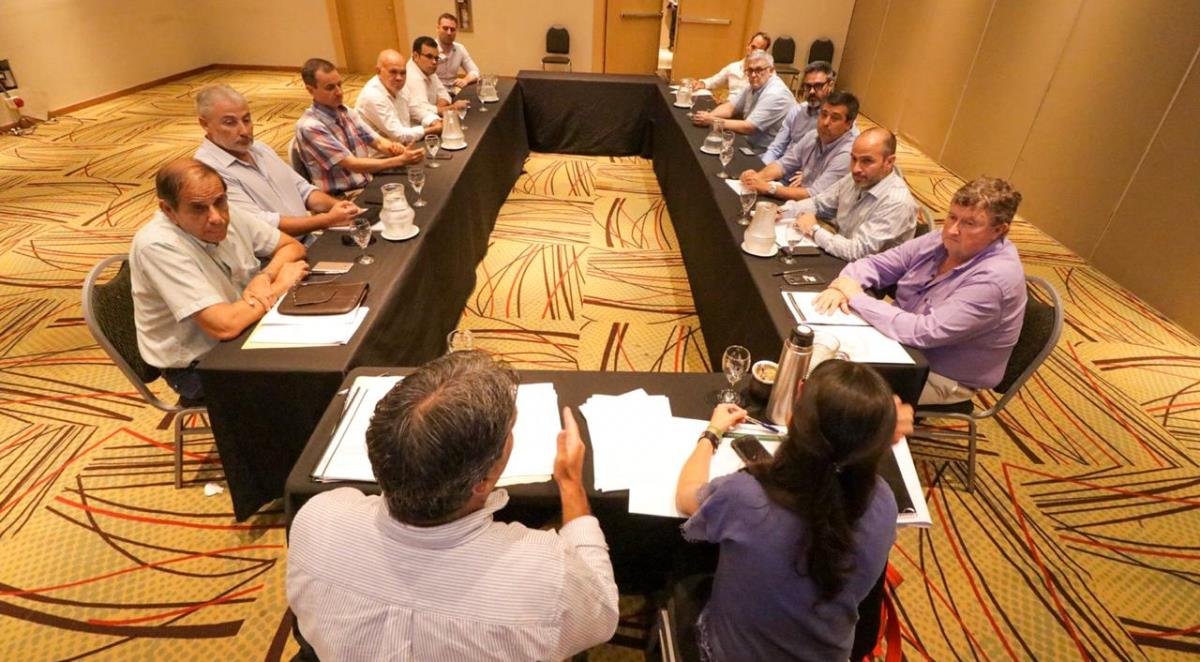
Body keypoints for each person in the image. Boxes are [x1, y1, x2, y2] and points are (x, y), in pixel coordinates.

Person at [287, 351, 620, 660]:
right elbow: (602, 612)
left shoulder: (318, 518)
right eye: (510, 433)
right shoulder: (548, 575)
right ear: (483, 482)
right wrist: (571, 484)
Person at [675, 360, 912, 661]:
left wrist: (711, 433)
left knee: (682, 574)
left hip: (729, 653)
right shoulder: (885, 502)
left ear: (792, 416)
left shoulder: (747, 496)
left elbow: (686, 495)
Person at [814, 178, 1027, 405]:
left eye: (970, 223)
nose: (953, 230)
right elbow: (877, 264)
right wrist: (845, 284)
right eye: (952, 217)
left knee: (832, 391)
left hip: (938, 373)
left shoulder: (993, 281)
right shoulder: (942, 239)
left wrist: (856, 296)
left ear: (998, 230)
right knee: (813, 350)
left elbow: (923, 332)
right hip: (897, 342)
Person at [130, 159, 308, 403]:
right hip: (199, 365)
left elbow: (292, 246)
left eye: (220, 201)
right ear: (168, 210)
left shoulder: (223, 210)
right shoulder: (158, 246)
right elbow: (223, 326)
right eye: (198, 208)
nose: (217, 217)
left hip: (247, 328)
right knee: (306, 381)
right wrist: (279, 287)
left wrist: (264, 277)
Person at [193, 84, 360, 238]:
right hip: (278, 253)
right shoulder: (207, 171)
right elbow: (260, 225)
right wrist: (327, 220)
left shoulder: (259, 148)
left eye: (246, 120)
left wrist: (343, 208)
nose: (244, 131)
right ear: (205, 124)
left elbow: (303, 190)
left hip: (309, 236)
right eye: (230, 123)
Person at [294, 58, 424, 195]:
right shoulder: (310, 127)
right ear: (310, 90)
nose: (339, 92)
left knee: (418, 185)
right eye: (330, 88)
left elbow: (378, 142)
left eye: (339, 85)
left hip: (366, 183)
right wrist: (399, 160)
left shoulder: (346, 112)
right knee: (411, 196)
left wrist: (398, 150)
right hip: (343, 197)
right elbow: (352, 164)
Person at [785, 127, 917, 260]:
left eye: (867, 161)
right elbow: (819, 204)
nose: (856, 169)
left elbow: (858, 252)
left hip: (866, 269)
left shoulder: (897, 202)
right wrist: (782, 211)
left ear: (889, 162)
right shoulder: (856, 178)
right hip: (840, 255)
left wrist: (814, 230)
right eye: (853, 159)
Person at [739, 91, 859, 202]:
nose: (826, 122)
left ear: (848, 124)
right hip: (800, 200)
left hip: (819, 211)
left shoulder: (848, 153)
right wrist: (757, 178)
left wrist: (768, 188)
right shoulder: (812, 136)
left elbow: (814, 194)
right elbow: (783, 165)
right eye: (824, 115)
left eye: (835, 118)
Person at [690, 50, 794, 152]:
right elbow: (730, 107)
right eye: (750, 70)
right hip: (750, 141)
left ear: (771, 71)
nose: (753, 75)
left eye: (758, 70)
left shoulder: (775, 94)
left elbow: (749, 127)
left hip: (767, 151)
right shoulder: (754, 85)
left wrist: (712, 121)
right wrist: (708, 116)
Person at [354, 49, 442, 144]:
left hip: (404, 145)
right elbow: (399, 135)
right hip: (381, 152)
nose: (399, 78)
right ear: (378, 71)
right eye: (393, 72)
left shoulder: (399, 86)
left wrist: (434, 120)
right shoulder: (372, 95)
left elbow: (416, 108)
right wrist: (432, 129)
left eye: (403, 73)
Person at [762, 60, 837, 166]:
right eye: (808, 86)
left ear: (830, 85)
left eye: (818, 86)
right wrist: (762, 167)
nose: (811, 91)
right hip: (782, 166)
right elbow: (776, 148)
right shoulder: (796, 111)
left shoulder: (837, 120)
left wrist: (808, 173)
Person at [405, 36, 468, 128]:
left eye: (436, 58)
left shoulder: (428, 69)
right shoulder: (412, 76)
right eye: (429, 57)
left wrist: (438, 109)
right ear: (416, 56)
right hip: (418, 128)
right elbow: (422, 110)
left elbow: (445, 95)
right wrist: (451, 108)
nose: (434, 62)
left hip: (433, 121)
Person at [692, 32, 771, 99]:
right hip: (728, 107)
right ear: (748, 46)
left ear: (764, 53)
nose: (754, 52)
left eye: (759, 50)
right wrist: (701, 83)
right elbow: (714, 81)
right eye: (753, 47)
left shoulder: (766, 74)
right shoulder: (733, 67)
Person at [434, 12, 480, 95]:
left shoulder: (460, 48)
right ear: (438, 28)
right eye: (445, 28)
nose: (449, 33)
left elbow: (475, 71)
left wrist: (465, 80)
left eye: (452, 29)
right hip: (435, 94)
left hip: (454, 92)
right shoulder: (429, 48)